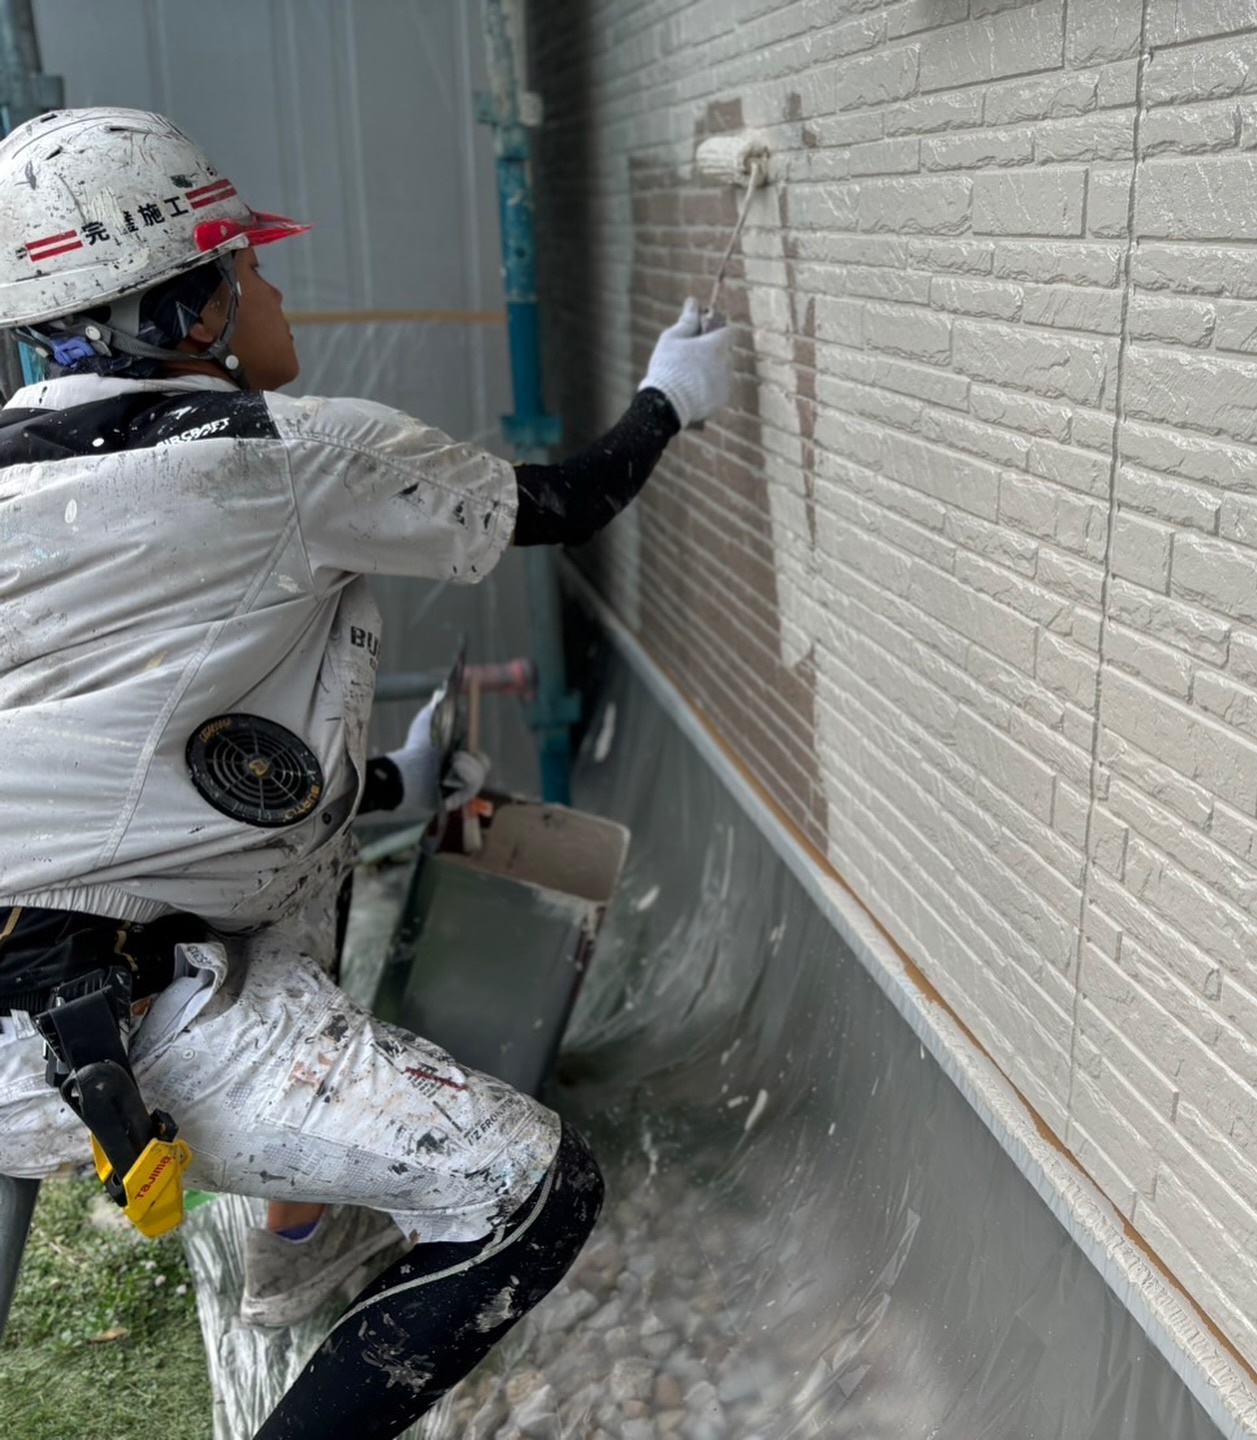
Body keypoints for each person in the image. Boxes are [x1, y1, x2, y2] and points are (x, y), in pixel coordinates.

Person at [0, 107, 731, 1440]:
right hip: (115, 1025)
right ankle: (306, 1264)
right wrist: (672, 397)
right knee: (534, 1193)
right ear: (186, 307)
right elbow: (565, 499)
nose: (269, 288)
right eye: (246, 268)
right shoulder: (291, 462)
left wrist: (387, 790)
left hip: (60, 988)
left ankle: (295, 1242)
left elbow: (140, 764)